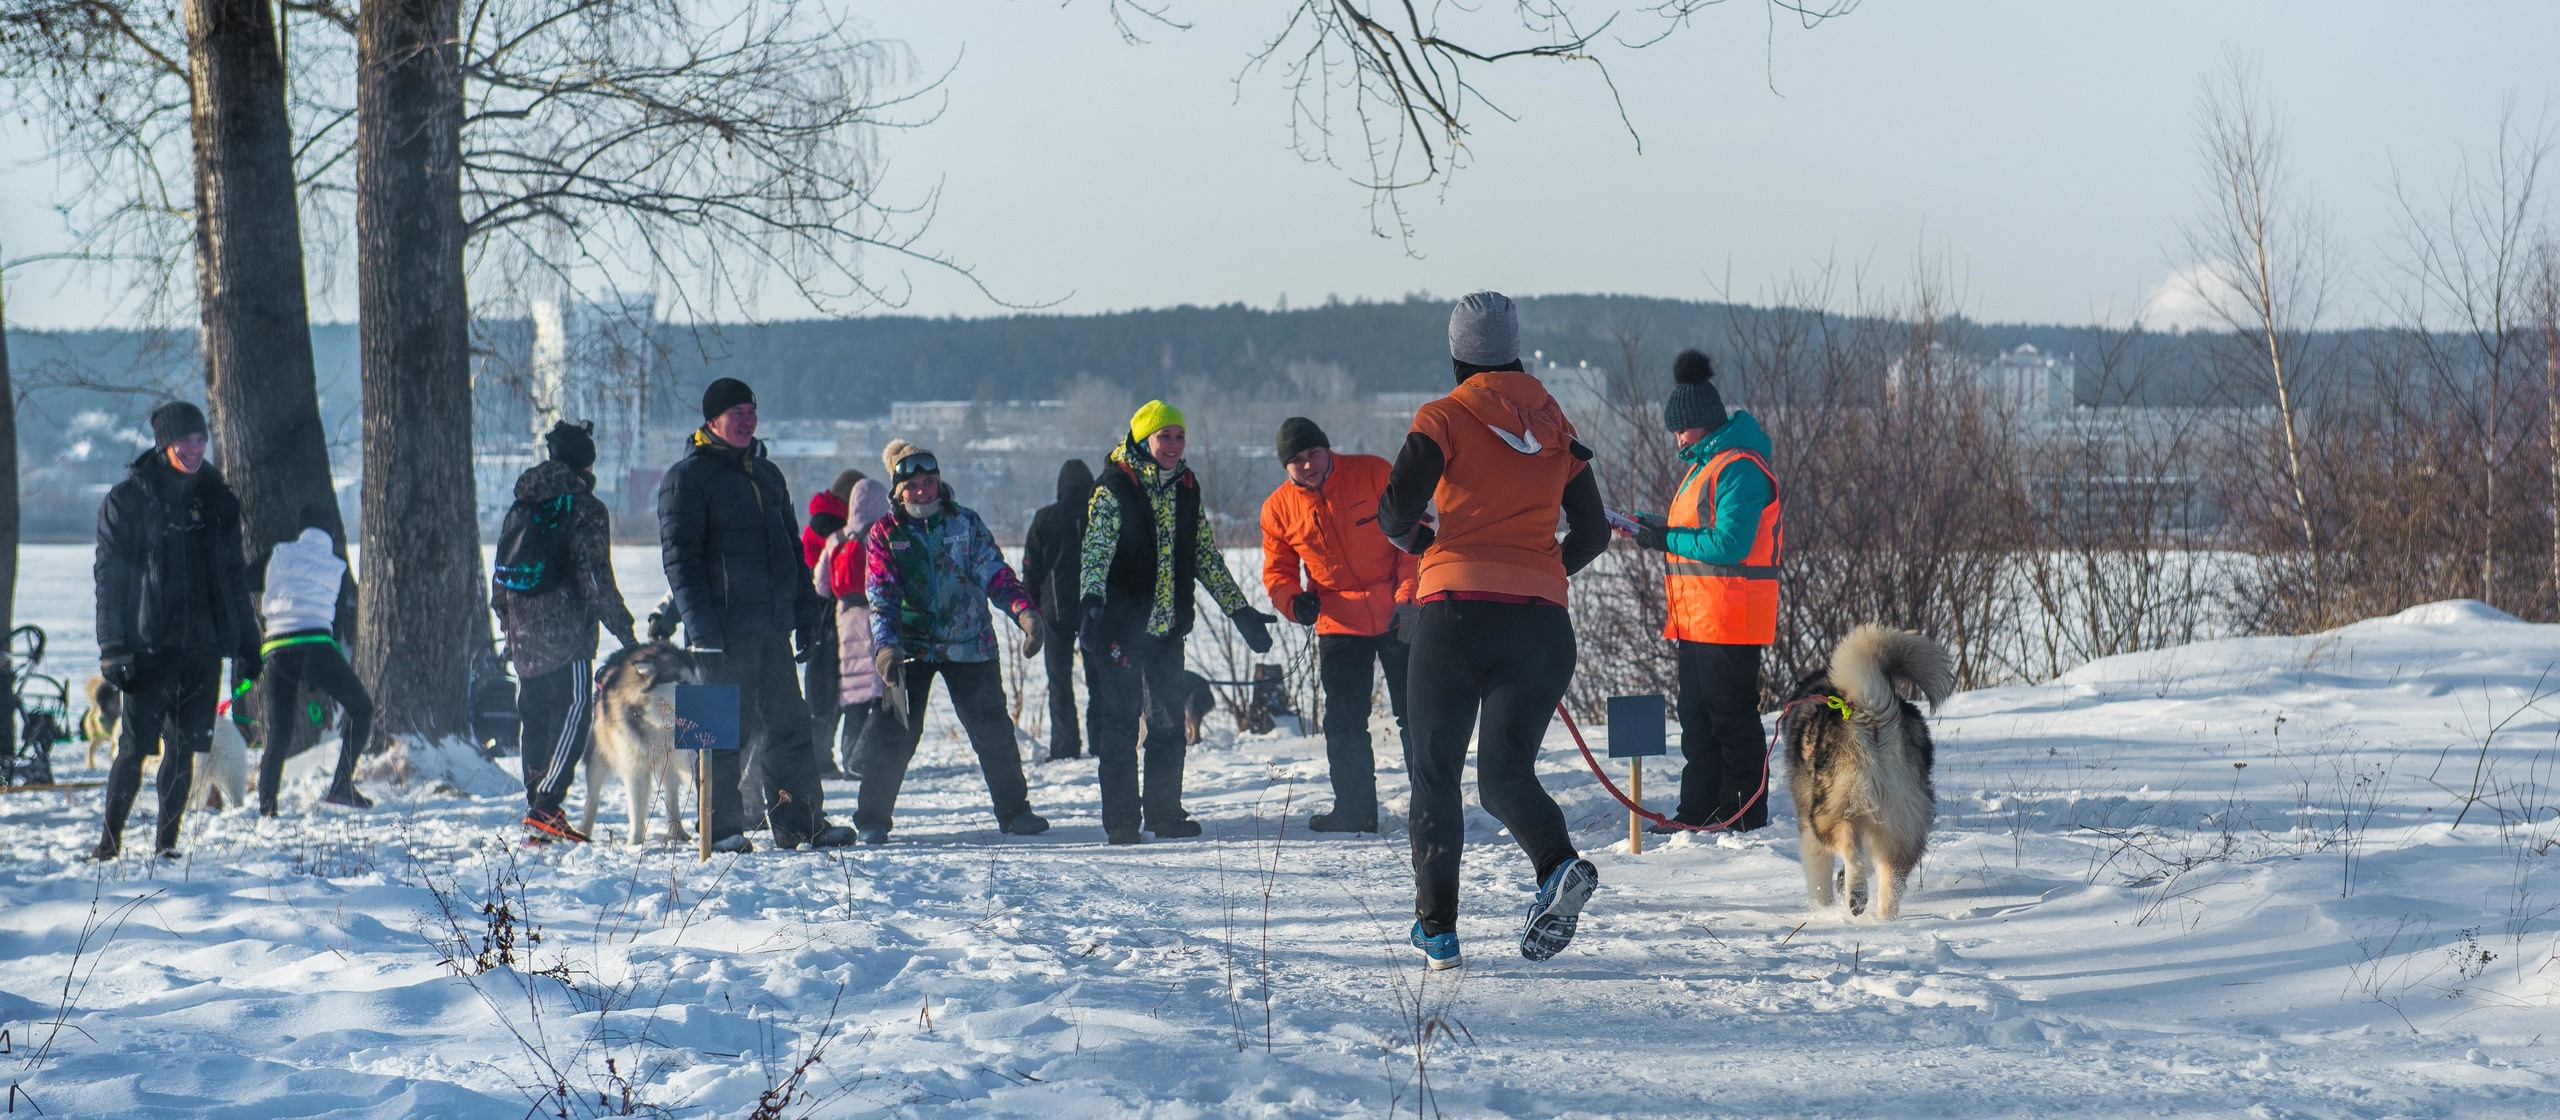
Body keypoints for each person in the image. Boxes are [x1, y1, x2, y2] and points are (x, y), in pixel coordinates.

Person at [1376, 292, 1611, 969]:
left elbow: (1396, 513)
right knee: (1505, 773)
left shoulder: (1443, 417)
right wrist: (1541, 571)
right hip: (1542, 622)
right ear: (1515, 349)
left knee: (1435, 772)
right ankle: (1556, 866)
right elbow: (1593, 531)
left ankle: (1438, 930)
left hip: (1455, 613)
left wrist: (1424, 542)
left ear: (1456, 353)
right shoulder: (1556, 425)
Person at [657, 377, 856, 851]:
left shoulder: (767, 476)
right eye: (736, 413)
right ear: (711, 421)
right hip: (716, 632)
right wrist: (699, 626)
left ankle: (799, 822)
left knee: (790, 726)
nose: (747, 420)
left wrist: (806, 615)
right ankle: (719, 829)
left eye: (752, 411)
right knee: (716, 733)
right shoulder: (686, 478)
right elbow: (679, 560)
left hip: (770, 629)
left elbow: (791, 551)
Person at [1078, 401, 1278, 844]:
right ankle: (1123, 820)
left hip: (1167, 629)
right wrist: (1091, 603)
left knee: (1168, 724)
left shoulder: (1186, 486)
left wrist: (1239, 610)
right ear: (1143, 439)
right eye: (1163, 436)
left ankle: (1165, 813)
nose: (1173, 445)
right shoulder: (1114, 487)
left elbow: (1204, 554)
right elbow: (1096, 552)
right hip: (1121, 628)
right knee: (1121, 724)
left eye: (1179, 436)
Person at [850, 441, 1051, 843]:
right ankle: (872, 818)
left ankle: (1014, 811)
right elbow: (882, 594)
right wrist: (887, 646)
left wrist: (1024, 613)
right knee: (896, 731)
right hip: (911, 647)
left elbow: (996, 574)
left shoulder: (965, 524)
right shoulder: (886, 534)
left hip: (969, 642)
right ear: (898, 491)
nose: (924, 490)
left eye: (930, 481)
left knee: (991, 727)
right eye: (914, 484)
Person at [90, 401, 262, 860]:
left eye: (201, 440)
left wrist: (248, 642)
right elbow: (111, 576)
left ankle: (166, 846)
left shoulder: (218, 502)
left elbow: (233, 578)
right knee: (134, 749)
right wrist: (112, 645)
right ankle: (109, 842)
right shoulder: (129, 500)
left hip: (202, 648)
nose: (193, 448)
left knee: (185, 749)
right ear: (165, 443)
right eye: (185, 440)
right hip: (148, 649)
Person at [1623, 349, 1782, 833]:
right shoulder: (1707, 466)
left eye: (1680, 429)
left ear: (1700, 422)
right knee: (1697, 724)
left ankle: (1740, 817)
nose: (1676, 439)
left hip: (1730, 620)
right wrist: (1655, 527)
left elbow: (1729, 543)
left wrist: (1664, 538)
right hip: (1698, 620)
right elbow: (1697, 529)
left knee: (1731, 723)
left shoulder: (1739, 468)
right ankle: (1697, 814)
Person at [1259, 417, 1416, 834]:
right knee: (1344, 721)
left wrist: (1408, 599)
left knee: (1414, 713)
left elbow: (1412, 539)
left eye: (1313, 453)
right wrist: (1294, 603)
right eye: (1296, 460)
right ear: (1285, 467)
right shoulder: (1277, 509)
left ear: (1326, 448)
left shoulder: (1373, 472)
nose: (1308, 465)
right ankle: (1354, 809)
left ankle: (1432, 802)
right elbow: (1277, 572)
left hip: (1397, 609)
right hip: (1337, 619)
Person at [494, 420, 640, 843]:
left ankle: (537, 809)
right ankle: (547, 806)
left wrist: (508, 623)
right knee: (575, 712)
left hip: (523, 633)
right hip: (568, 633)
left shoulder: (522, 502)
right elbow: (594, 577)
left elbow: (501, 574)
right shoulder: (585, 507)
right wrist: (626, 632)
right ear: (587, 462)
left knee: (535, 718)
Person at [250, 505, 374, 814]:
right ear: (330, 532)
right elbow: (336, 615)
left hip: (277, 648)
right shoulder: (337, 565)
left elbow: (246, 580)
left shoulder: (278, 554)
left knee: (279, 732)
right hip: (316, 645)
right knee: (362, 708)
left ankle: (267, 806)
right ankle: (341, 784)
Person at [814, 477, 891, 776]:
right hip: (878, 618)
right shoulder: (883, 537)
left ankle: (849, 755)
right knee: (879, 692)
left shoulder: (836, 540)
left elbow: (821, 586)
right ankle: (865, 758)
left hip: (846, 622)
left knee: (854, 695)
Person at [1019, 458, 1096, 760]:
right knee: (1099, 682)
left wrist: (1029, 609)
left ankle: (1065, 748)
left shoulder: (1044, 518)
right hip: (1094, 610)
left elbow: (1030, 568)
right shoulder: (1098, 516)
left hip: (1055, 612)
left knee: (1059, 683)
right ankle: (1101, 743)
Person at [801, 470, 864, 779]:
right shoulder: (829, 525)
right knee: (826, 694)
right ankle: (823, 759)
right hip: (826, 616)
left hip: (827, 616)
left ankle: (826, 758)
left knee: (830, 691)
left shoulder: (828, 521)